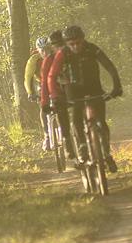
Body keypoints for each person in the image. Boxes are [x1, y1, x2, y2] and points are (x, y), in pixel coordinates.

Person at [48, 25, 122, 171]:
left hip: (94, 88)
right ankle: (82, 148)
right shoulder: (62, 53)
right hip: (73, 90)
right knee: (76, 117)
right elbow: (51, 76)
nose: (76, 47)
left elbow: (110, 66)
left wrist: (116, 87)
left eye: (78, 43)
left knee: (101, 122)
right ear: (66, 44)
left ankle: (106, 154)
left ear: (83, 40)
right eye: (71, 44)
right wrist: (56, 96)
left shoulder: (92, 48)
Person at [39, 30, 75, 160]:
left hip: (74, 90)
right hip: (58, 93)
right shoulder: (48, 60)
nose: (59, 47)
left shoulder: (73, 53)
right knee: (61, 113)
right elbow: (44, 83)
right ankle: (67, 139)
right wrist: (44, 102)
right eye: (55, 45)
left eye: (61, 44)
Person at [24, 36, 53, 150]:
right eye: (42, 50)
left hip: (56, 81)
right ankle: (47, 135)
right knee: (43, 106)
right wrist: (30, 92)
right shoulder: (33, 59)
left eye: (47, 49)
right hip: (41, 83)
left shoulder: (55, 55)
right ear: (38, 50)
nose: (45, 52)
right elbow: (27, 77)